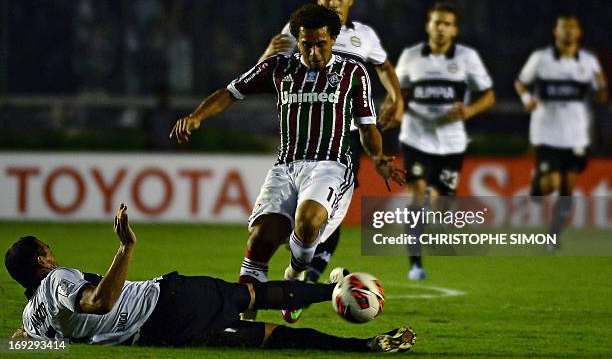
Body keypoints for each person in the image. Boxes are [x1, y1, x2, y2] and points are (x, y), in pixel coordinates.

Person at [170, 4, 405, 322]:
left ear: (333, 39)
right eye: (306, 44)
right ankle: (243, 322)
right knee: (260, 241)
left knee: (308, 222)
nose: (313, 51)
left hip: (331, 164)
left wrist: (377, 157)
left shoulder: (353, 73)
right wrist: (197, 117)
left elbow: (366, 126)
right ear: (298, 41)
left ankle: (294, 276)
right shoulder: (277, 68)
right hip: (286, 167)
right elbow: (230, 92)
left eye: (320, 43)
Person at [5, 204, 417, 353]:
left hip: (164, 337)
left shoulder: (34, 314)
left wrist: (22, 340)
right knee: (251, 295)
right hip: (167, 301)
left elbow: (23, 341)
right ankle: (334, 289)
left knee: (270, 337)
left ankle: (363, 346)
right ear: (42, 260)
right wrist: (126, 248)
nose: (53, 254)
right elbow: (98, 303)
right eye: (48, 250)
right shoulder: (59, 279)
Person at [258, 0, 404, 286]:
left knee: (326, 210)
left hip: (351, 133)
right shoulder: (297, 29)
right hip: (306, 136)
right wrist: (269, 55)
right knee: (304, 215)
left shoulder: (363, 35)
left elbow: (384, 67)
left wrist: (397, 98)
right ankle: (303, 267)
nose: (334, 2)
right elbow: (265, 70)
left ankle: (306, 275)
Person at [395, 2, 496, 280]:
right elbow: (398, 94)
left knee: (440, 206)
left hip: (451, 143)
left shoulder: (467, 57)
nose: (441, 28)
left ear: (455, 30)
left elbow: (488, 95)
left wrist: (470, 110)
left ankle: (431, 202)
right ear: (428, 25)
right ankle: (415, 263)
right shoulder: (411, 56)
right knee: (417, 196)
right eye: (437, 22)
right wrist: (395, 110)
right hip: (415, 137)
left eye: (447, 24)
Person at [515, 14, 608, 249]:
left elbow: (601, 93)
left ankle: (553, 236)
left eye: (572, 28)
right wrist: (527, 98)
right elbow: (521, 82)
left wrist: (602, 88)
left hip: (576, 134)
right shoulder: (541, 58)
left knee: (567, 186)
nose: (568, 32)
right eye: (563, 28)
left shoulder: (588, 61)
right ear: (555, 32)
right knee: (551, 184)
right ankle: (537, 185)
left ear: (579, 33)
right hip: (546, 132)